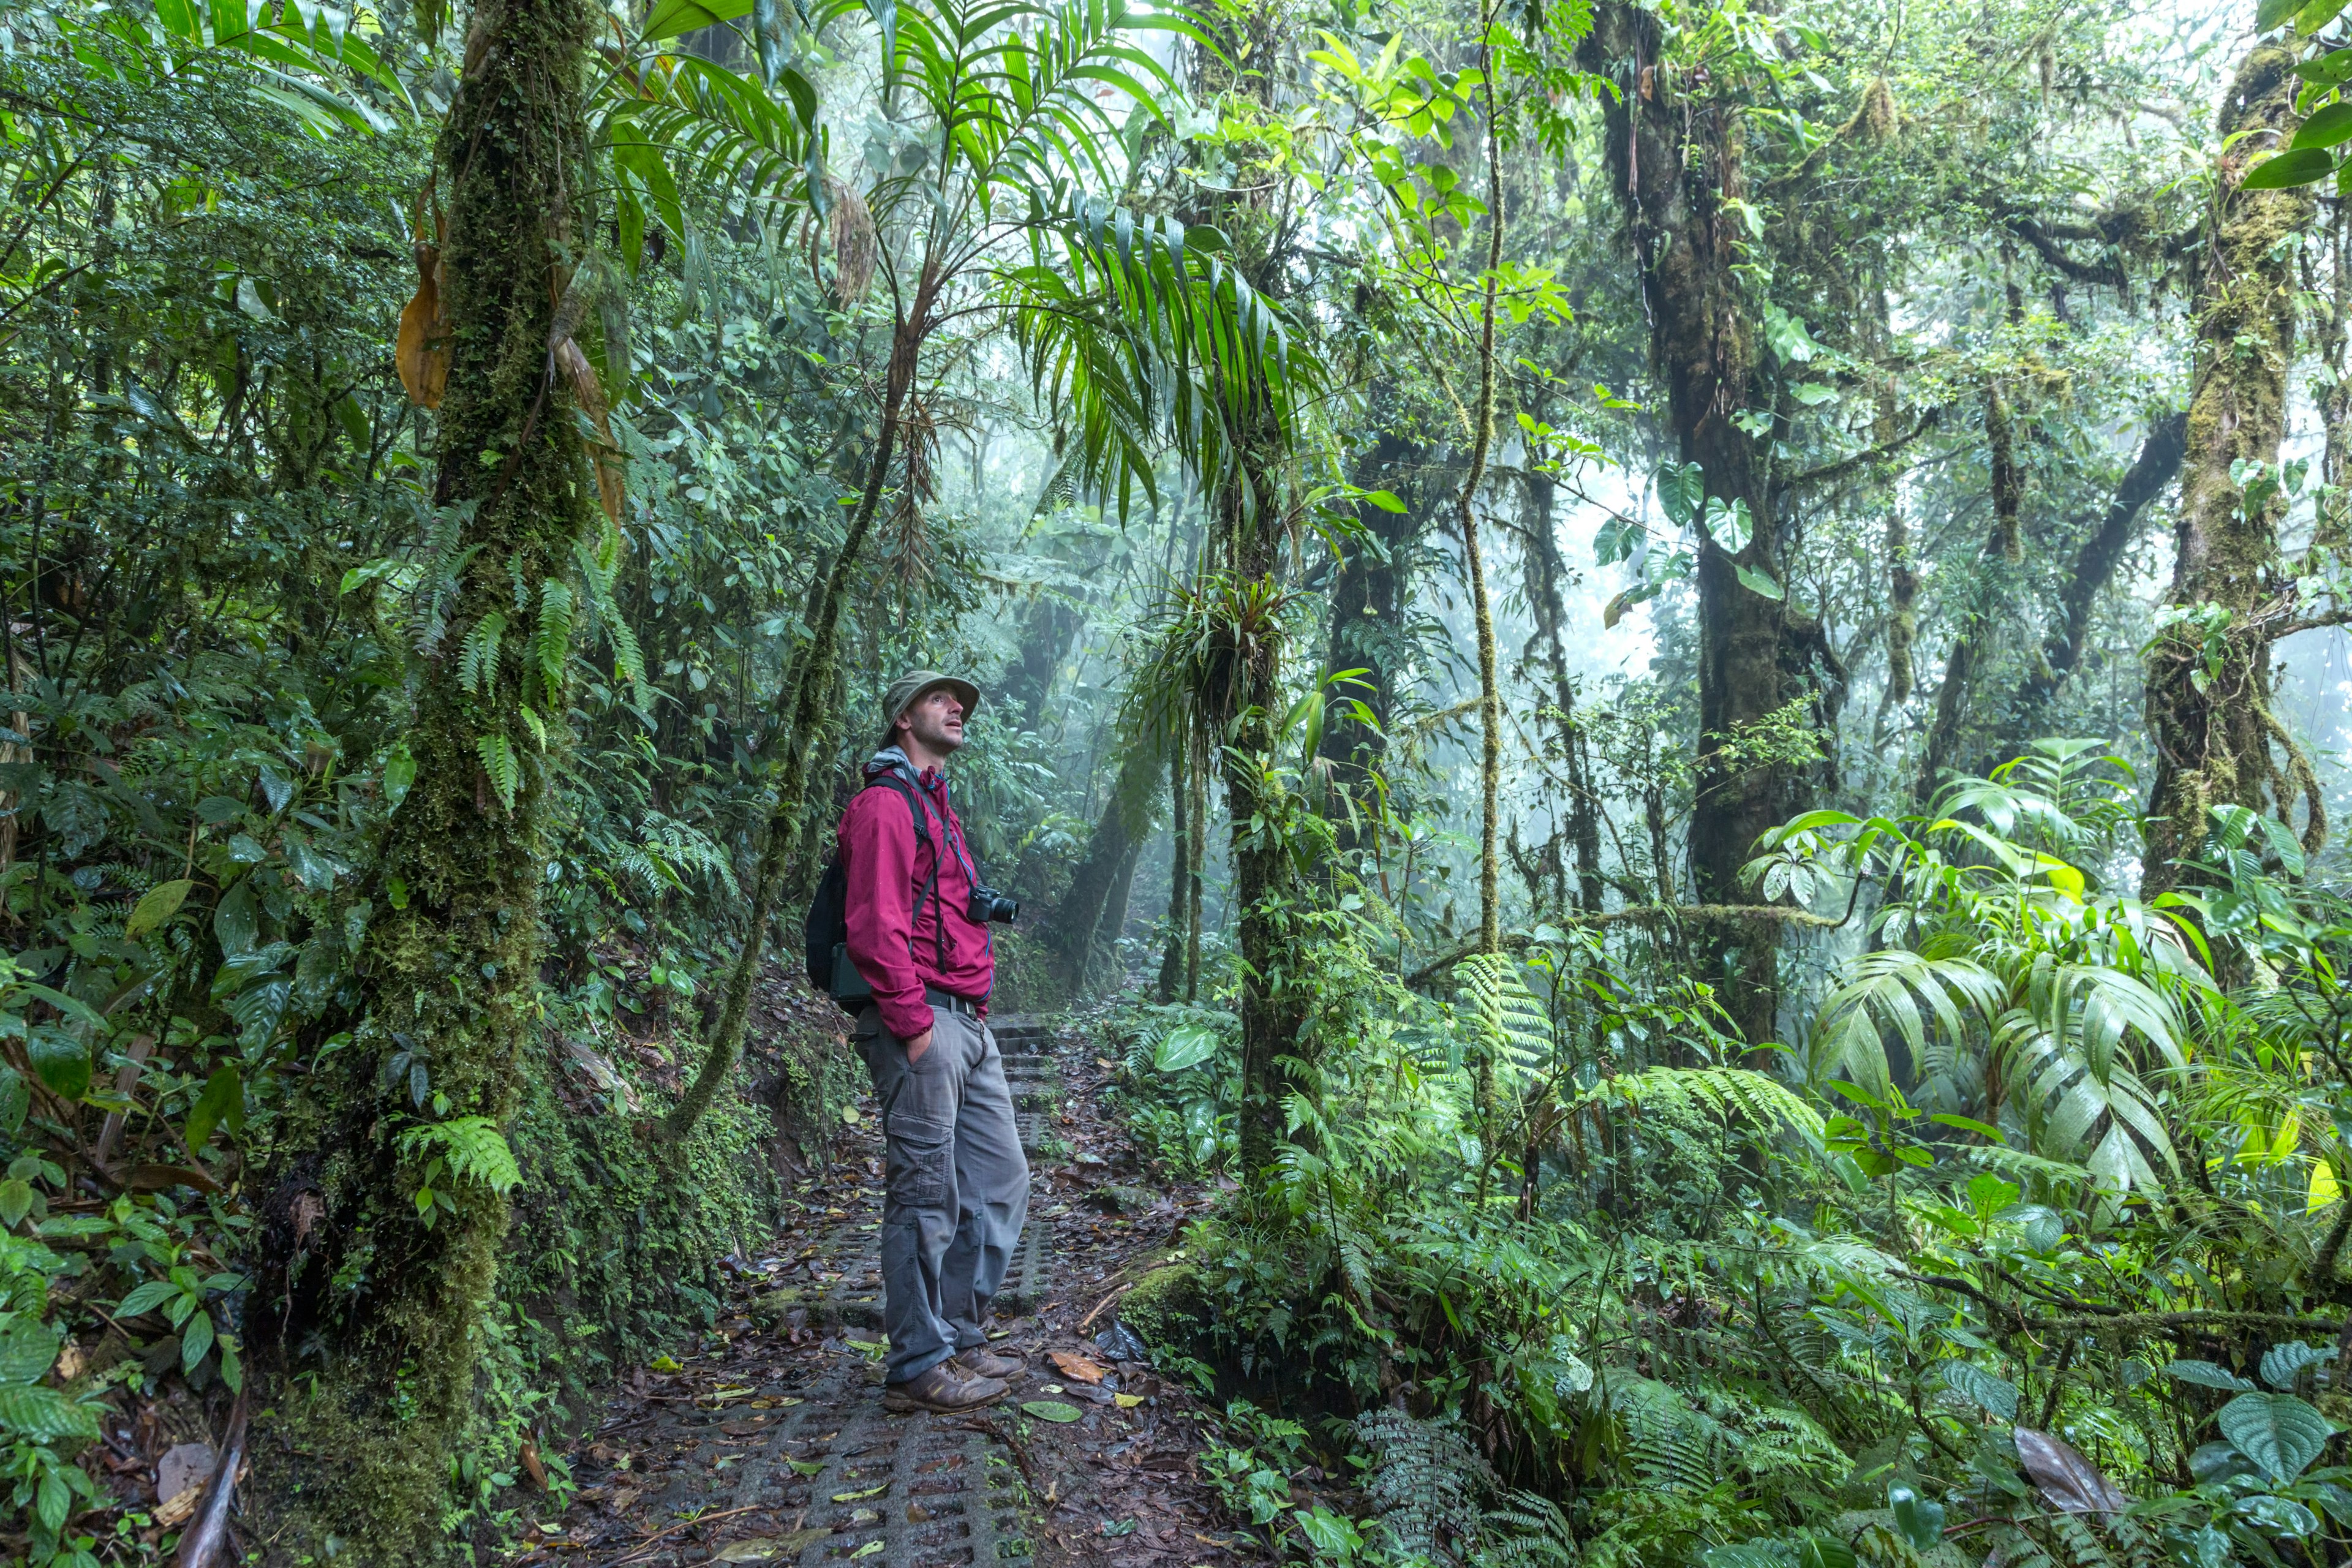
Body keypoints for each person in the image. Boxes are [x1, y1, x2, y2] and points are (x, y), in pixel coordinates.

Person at [838, 670, 1031, 1414]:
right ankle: (918, 1364)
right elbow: (875, 926)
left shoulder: (939, 811)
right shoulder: (886, 806)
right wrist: (916, 1027)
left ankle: (956, 1330)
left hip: (966, 1021)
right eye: (941, 699)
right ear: (903, 716)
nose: (958, 708)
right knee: (925, 1194)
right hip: (920, 1020)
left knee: (997, 1180)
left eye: (963, 704)